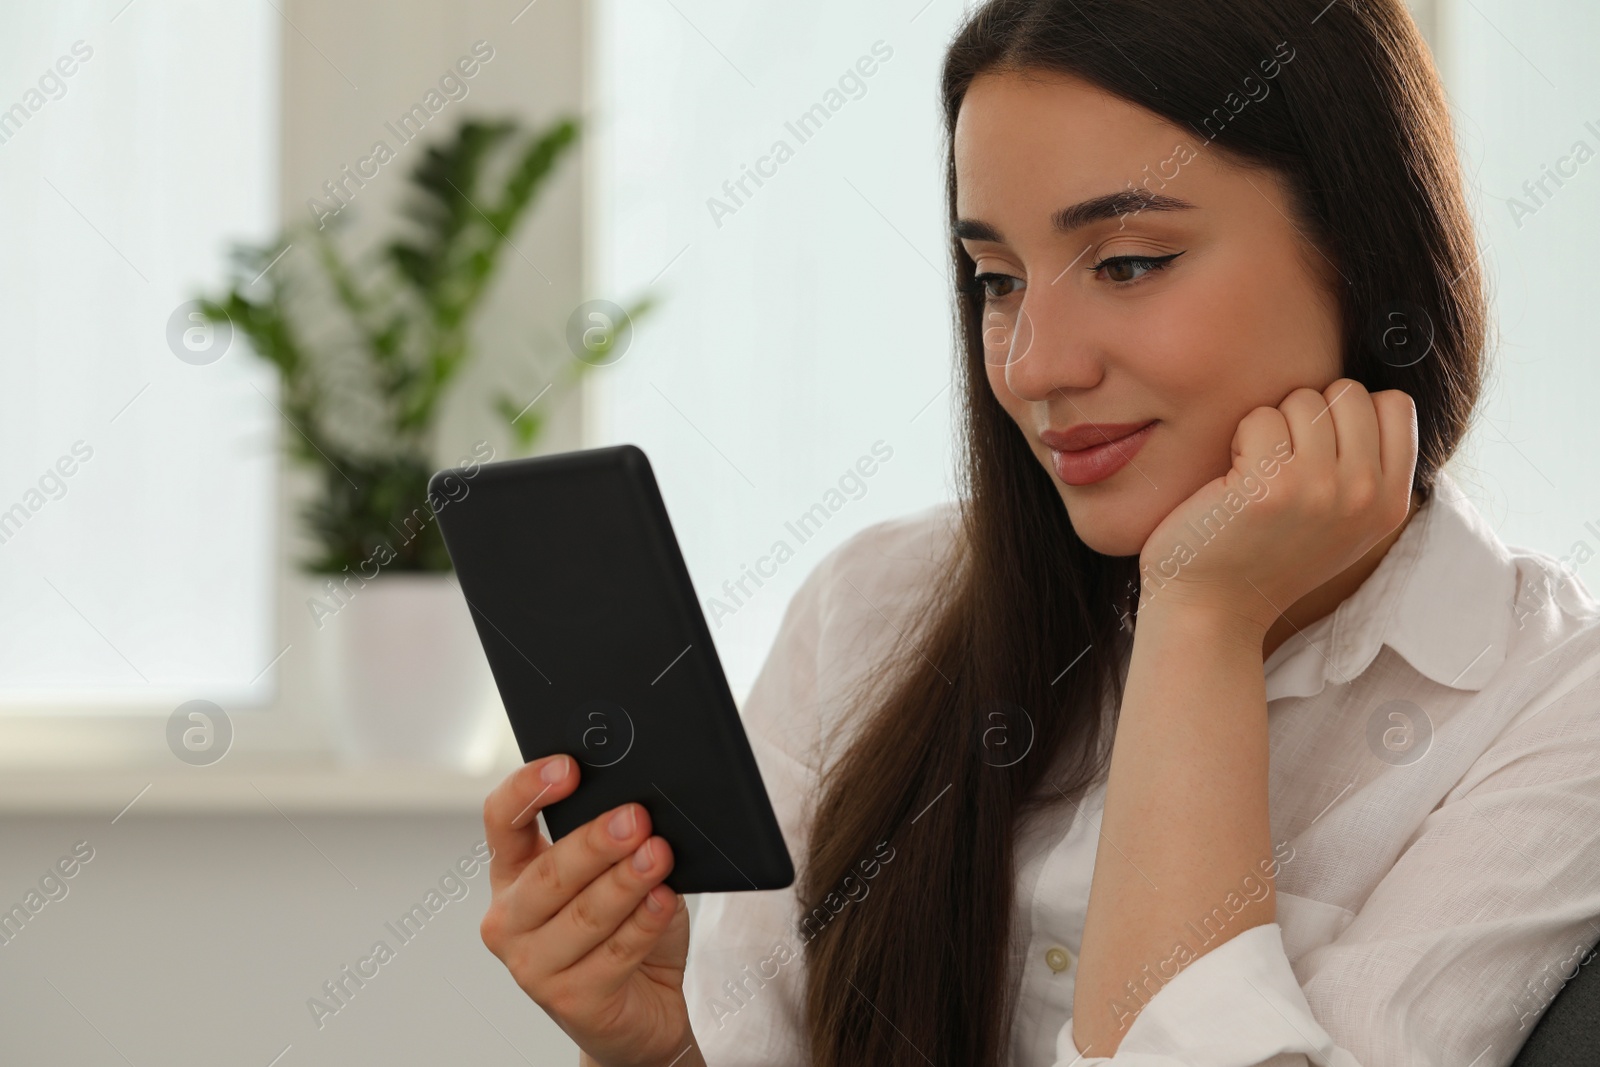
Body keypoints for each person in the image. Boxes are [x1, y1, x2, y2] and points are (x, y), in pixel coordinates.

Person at [476, 1, 1600, 1064]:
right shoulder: (872, 603)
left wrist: (1198, 623)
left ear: (1363, 250)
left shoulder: (1550, 709)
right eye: (995, 278)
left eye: (1127, 263)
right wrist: (661, 1046)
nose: (1031, 364)